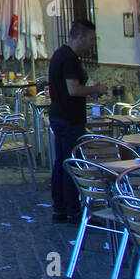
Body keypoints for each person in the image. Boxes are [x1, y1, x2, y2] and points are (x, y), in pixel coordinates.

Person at [48, 20, 111, 224]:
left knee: (61, 163)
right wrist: (96, 89)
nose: (93, 43)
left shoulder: (59, 54)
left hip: (59, 115)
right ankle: (74, 212)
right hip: (68, 119)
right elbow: (73, 89)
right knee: (71, 165)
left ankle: (60, 209)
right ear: (81, 37)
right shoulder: (70, 59)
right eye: (91, 39)